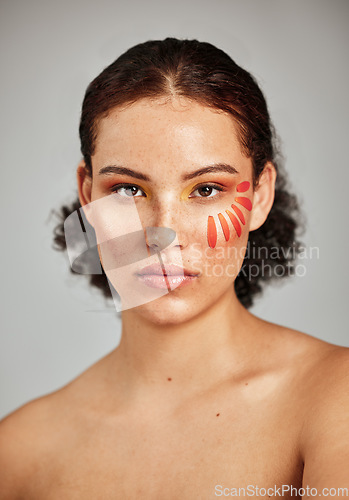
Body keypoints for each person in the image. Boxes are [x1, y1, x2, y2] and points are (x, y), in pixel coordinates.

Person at [0, 38, 348, 499]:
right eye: (127, 189)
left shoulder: (334, 401)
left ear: (259, 196)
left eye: (205, 190)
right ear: (87, 197)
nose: (163, 233)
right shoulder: (19, 451)